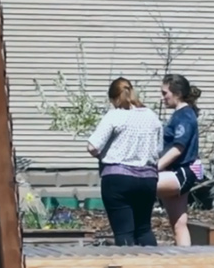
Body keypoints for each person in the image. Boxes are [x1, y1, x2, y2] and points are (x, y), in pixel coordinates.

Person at [86, 77, 163, 246]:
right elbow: (158, 149)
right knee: (144, 229)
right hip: (148, 179)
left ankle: (129, 267)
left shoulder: (115, 116)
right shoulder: (151, 116)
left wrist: (102, 155)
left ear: (114, 98)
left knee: (124, 231)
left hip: (118, 178)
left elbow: (93, 146)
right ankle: (152, 266)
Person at [156, 74, 204, 246]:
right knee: (178, 224)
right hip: (176, 171)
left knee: (140, 183)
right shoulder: (180, 114)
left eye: (164, 93)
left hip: (181, 172)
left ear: (177, 93)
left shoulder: (184, 116)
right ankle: (185, 260)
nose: (162, 98)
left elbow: (178, 148)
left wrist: (154, 168)